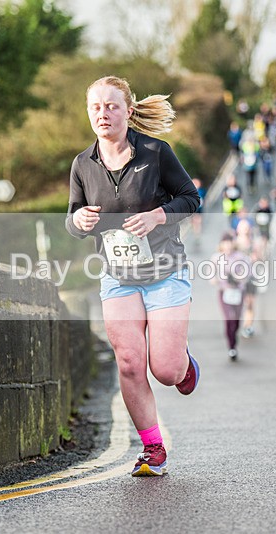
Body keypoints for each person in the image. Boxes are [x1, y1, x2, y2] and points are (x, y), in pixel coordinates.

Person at [65, 76, 201, 477]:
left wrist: (160, 214)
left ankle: (184, 364)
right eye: (95, 107)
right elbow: (72, 220)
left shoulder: (157, 153)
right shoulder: (82, 165)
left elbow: (192, 199)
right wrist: (78, 219)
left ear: (127, 110)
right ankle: (153, 448)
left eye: (111, 106)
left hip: (164, 271)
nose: (103, 113)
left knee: (165, 370)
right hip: (118, 276)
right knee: (128, 363)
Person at [211, 233, 251, 361]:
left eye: (230, 243)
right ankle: (231, 347)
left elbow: (248, 273)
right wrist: (219, 280)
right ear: (221, 245)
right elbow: (211, 277)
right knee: (229, 319)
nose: (228, 246)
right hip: (224, 292)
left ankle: (234, 334)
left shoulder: (241, 257)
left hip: (238, 291)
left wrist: (237, 278)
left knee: (237, 319)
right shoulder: (216, 258)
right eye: (225, 243)